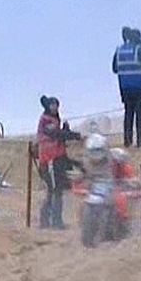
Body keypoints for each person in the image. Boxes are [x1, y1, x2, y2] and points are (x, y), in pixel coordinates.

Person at [37, 95, 81, 229]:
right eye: (52, 105)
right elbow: (56, 134)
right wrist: (73, 135)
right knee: (54, 191)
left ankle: (50, 221)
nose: (55, 107)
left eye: (56, 105)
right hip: (49, 160)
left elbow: (59, 135)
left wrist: (66, 131)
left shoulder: (54, 119)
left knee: (56, 191)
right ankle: (53, 222)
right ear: (47, 106)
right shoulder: (45, 120)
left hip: (57, 158)